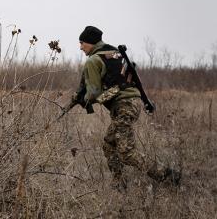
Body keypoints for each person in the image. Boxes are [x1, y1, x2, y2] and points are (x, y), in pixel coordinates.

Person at [69, 26, 180, 190]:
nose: (80, 47)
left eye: (82, 43)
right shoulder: (115, 53)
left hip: (124, 106)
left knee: (127, 153)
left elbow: (93, 94)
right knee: (109, 144)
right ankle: (118, 184)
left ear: (90, 43)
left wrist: (83, 100)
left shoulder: (93, 60)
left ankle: (168, 176)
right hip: (133, 102)